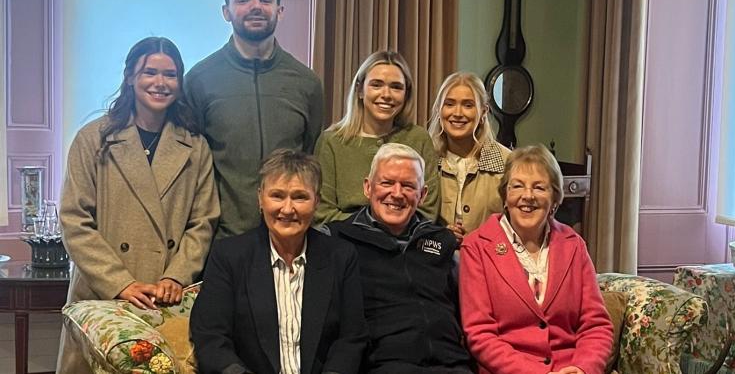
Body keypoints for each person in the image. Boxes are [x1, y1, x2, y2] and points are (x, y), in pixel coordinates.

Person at [57, 37, 219, 373]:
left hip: (164, 296)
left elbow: (203, 221)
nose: (160, 83)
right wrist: (120, 283)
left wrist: (176, 276)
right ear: (131, 76)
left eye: (170, 75)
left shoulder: (194, 145)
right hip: (103, 293)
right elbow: (74, 219)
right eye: (150, 72)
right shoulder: (93, 139)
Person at [191, 149, 368, 374]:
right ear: (260, 199)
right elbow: (210, 337)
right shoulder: (229, 256)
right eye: (277, 195)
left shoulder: (341, 256)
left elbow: (352, 338)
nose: (287, 209)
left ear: (317, 202)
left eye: (300, 197)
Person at [185, 0, 323, 239]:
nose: (255, 6)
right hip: (221, 239)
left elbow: (311, 157)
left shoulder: (306, 83)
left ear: (280, 11)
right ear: (226, 11)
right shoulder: (199, 80)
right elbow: (191, 165)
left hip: (290, 238)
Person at [459, 144, 613, 374]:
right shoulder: (477, 247)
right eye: (517, 186)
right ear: (505, 195)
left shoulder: (574, 245)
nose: (527, 196)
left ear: (554, 199)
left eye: (539, 188)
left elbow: (596, 325)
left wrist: (583, 368)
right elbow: (480, 334)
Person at [326, 143, 471, 374]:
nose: (396, 193)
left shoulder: (442, 241)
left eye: (408, 185)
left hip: (453, 365)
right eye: (386, 183)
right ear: (367, 187)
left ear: (422, 195)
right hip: (384, 366)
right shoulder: (338, 241)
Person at [314, 50, 439, 224]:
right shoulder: (332, 142)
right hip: (345, 243)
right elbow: (322, 213)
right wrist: (374, 234)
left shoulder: (419, 139)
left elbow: (428, 211)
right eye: (376, 85)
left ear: (406, 94)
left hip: (405, 244)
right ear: (360, 90)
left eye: (396, 87)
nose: (386, 95)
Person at [429, 71, 510, 244]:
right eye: (449, 104)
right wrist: (437, 234)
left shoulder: (508, 163)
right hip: (436, 261)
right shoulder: (424, 159)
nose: (457, 113)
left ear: (483, 112)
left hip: (491, 260)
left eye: (468, 105)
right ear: (439, 110)